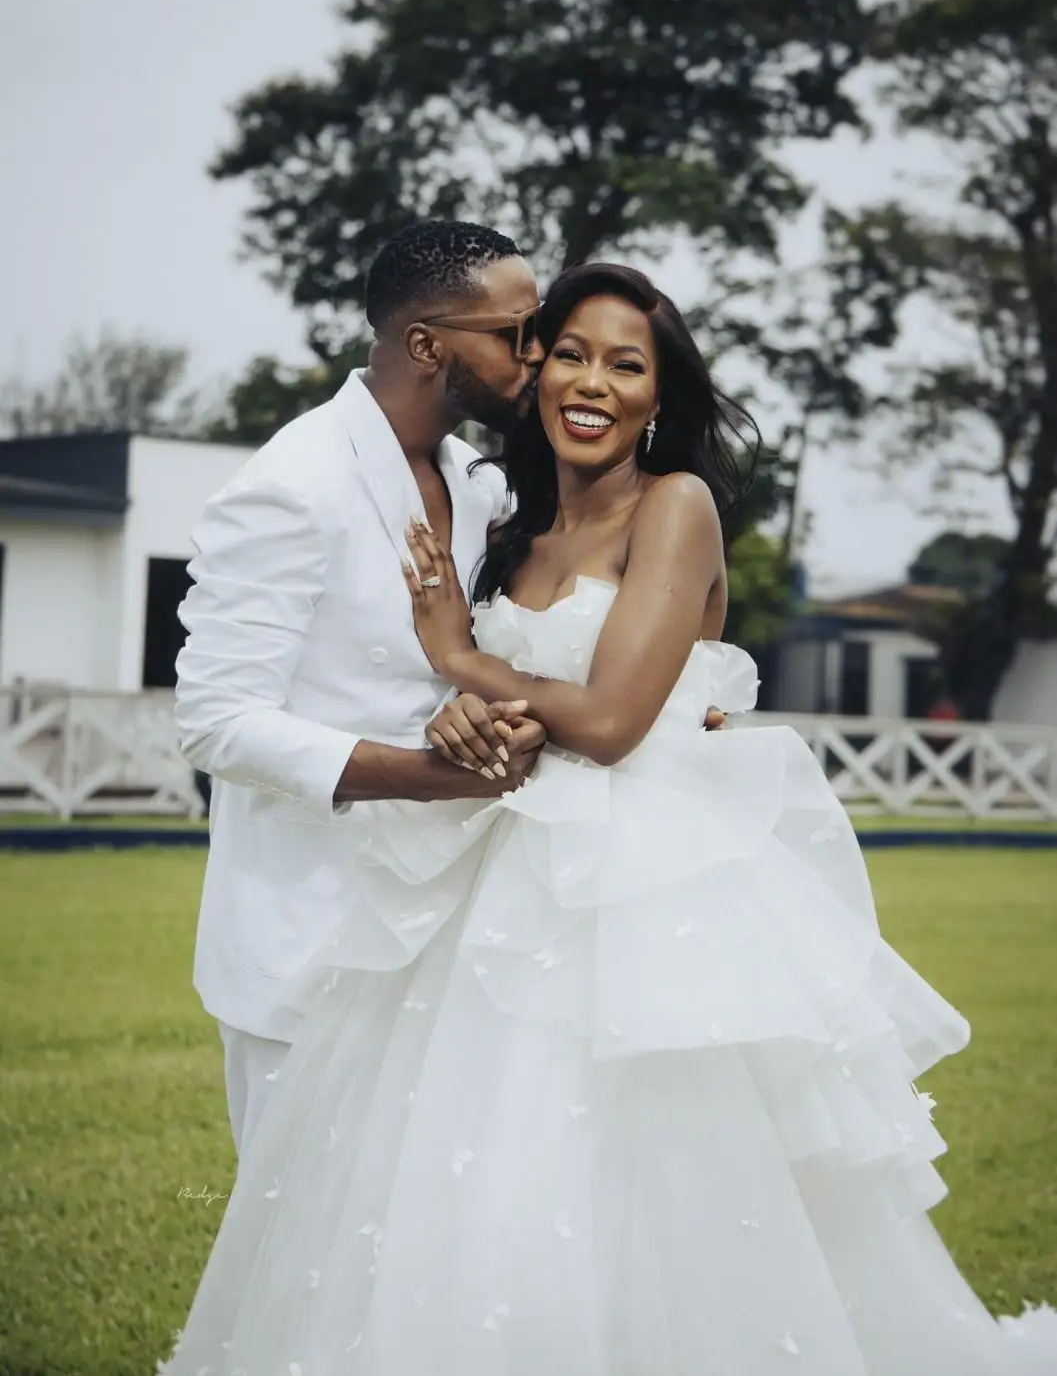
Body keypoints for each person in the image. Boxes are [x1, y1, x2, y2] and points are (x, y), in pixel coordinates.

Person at [160, 265, 1056, 1374]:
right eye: (562, 350)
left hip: (633, 897)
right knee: (470, 1175)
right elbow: (446, 698)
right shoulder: (511, 519)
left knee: (653, 1177)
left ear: (659, 393)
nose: (582, 377)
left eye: (623, 363)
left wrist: (458, 656)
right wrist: (458, 710)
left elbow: (618, 719)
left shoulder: (674, 506)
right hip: (481, 884)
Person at [175, 217, 731, 1160]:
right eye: (520, 335)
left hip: (463, 937)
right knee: (297, 1241)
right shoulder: (292, 485)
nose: (536, 357)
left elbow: (609, 611)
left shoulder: (482, 483)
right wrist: (439, 773)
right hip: (311, 931)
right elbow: (216, 723)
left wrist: (691, 694)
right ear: (428, 345)